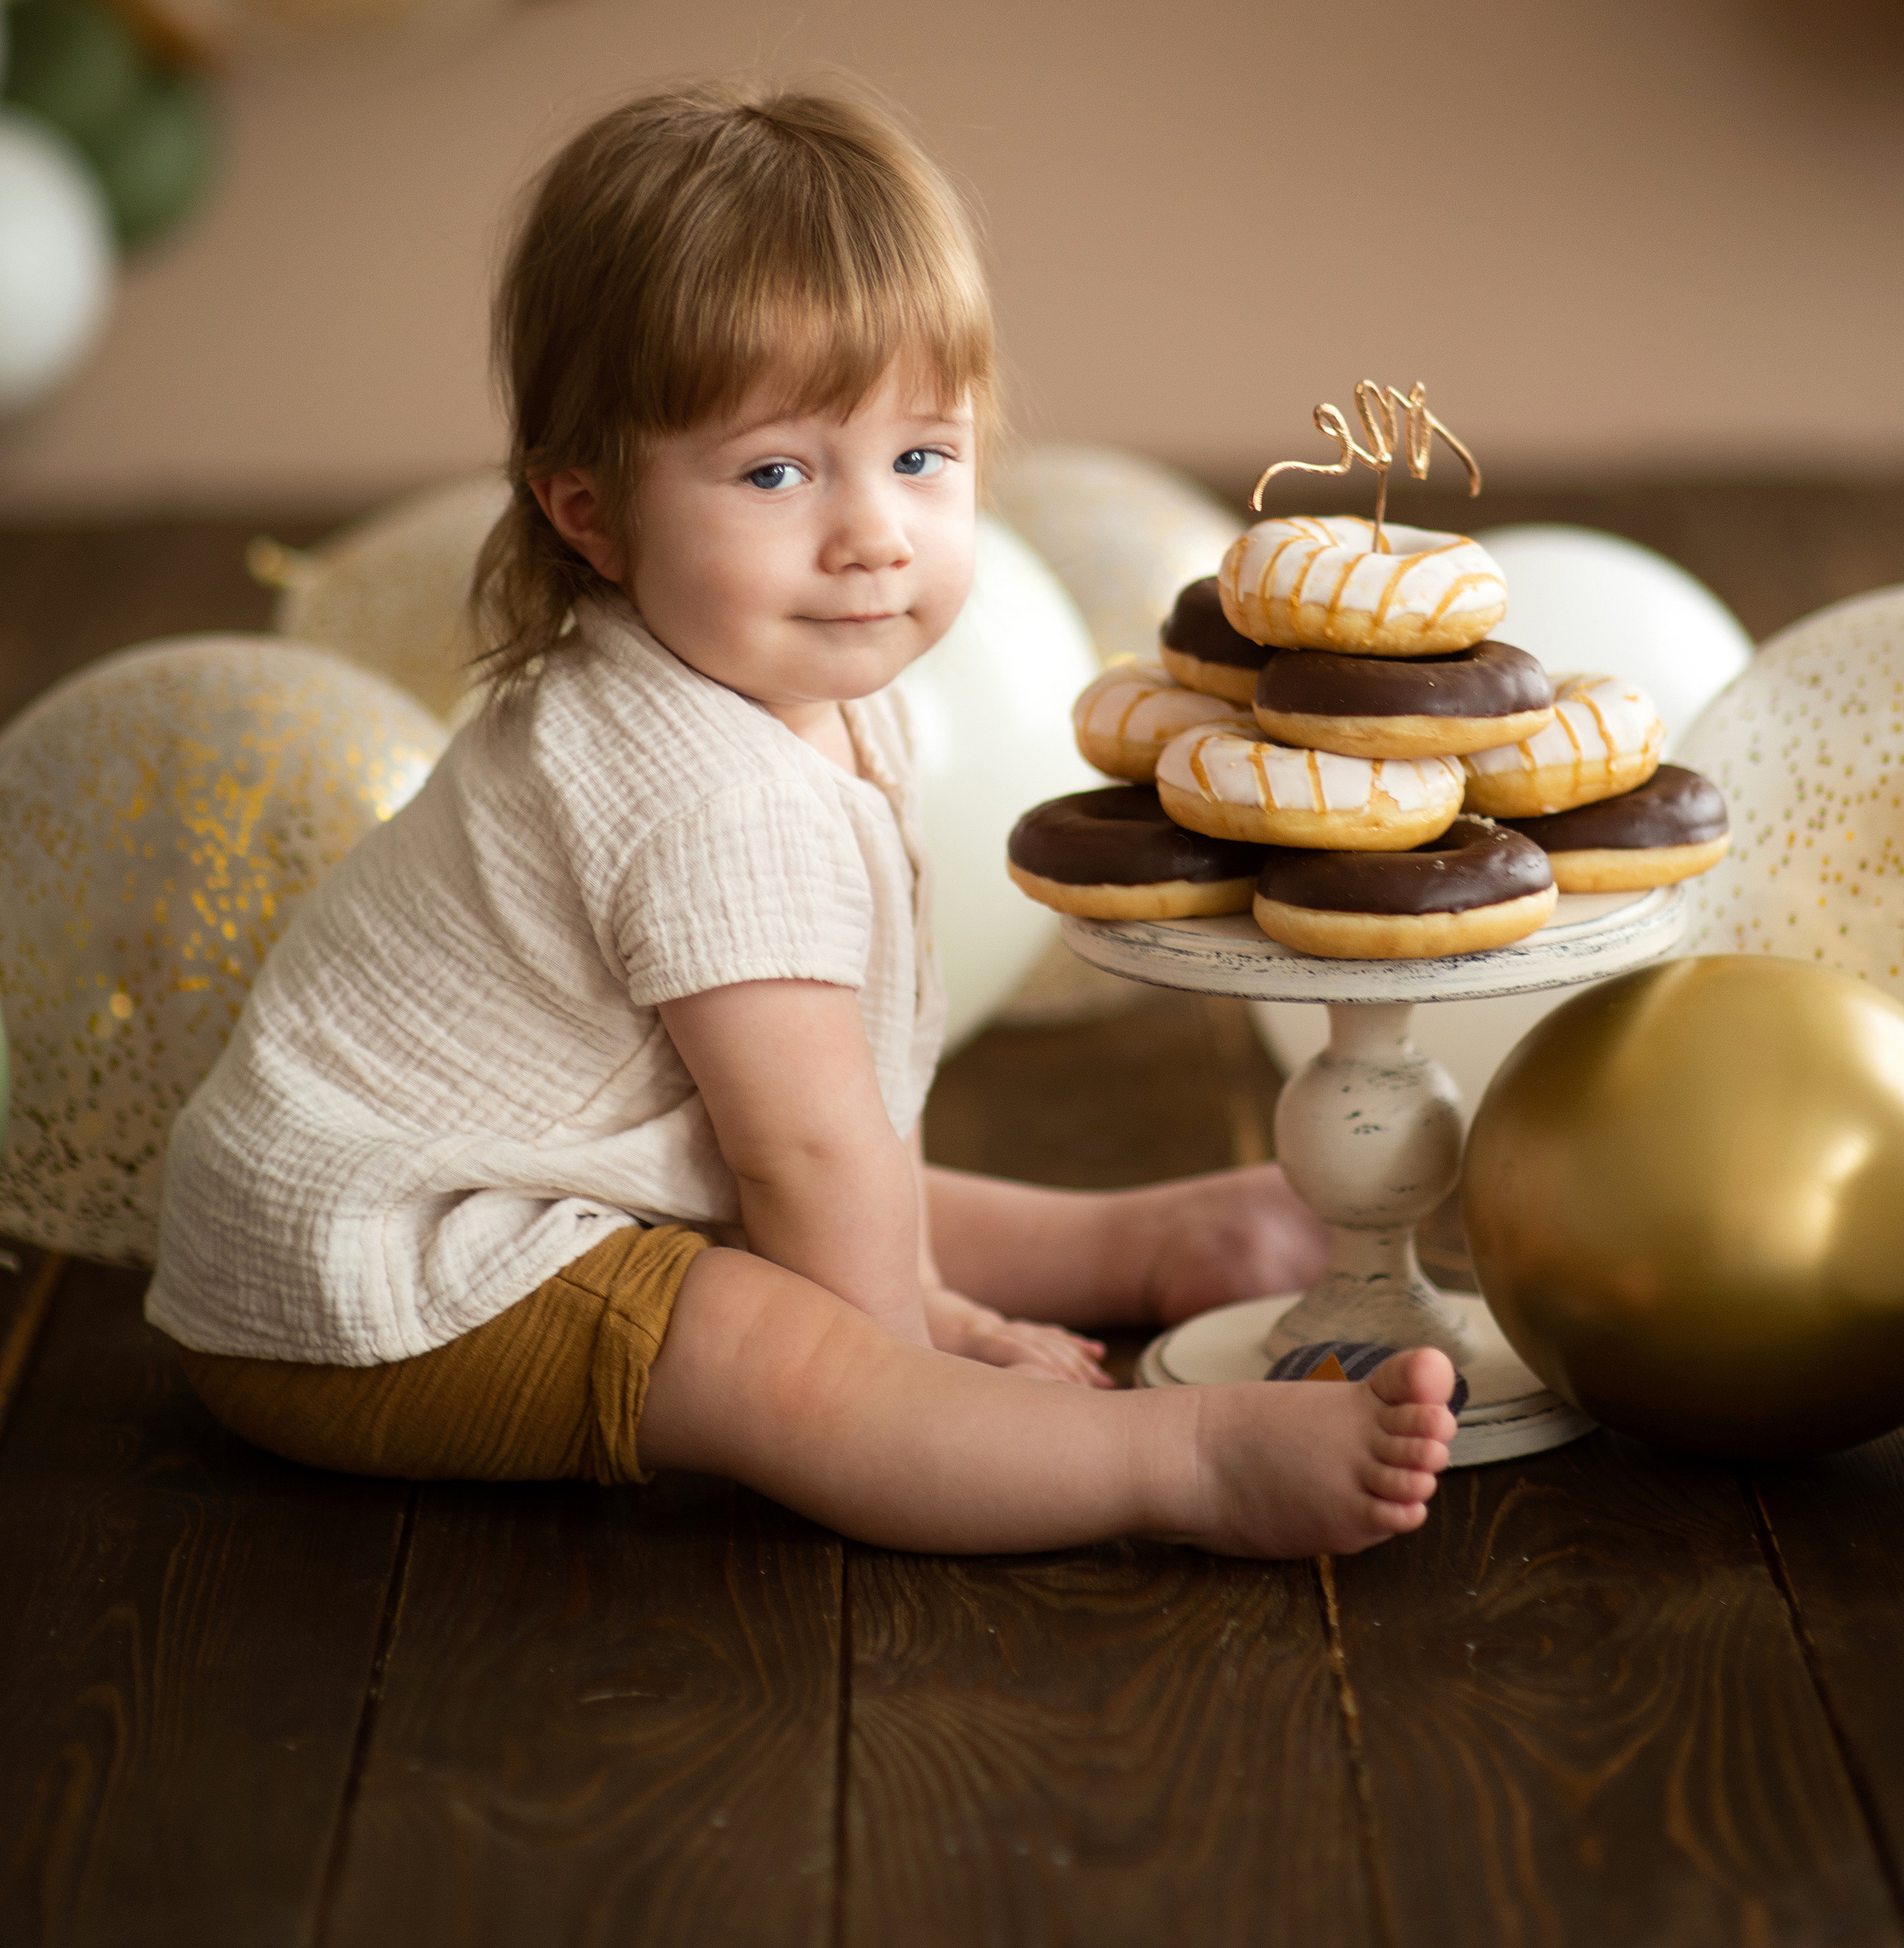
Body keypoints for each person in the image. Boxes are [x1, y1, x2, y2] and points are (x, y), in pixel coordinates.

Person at [148, 83, 1456, 1557]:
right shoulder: (701, 786)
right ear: (588, 511)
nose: (871, 533)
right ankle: (1185, 1461)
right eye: (775, 471)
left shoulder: (798, 678)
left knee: (815, 1174)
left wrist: (926, 1291)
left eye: (920, 455)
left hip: (498, 1183)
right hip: (371, 1281)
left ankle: (1144, 1241)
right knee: (781, 1349)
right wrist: (911, 1349)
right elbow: (808, 1171)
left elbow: (820, 1131)